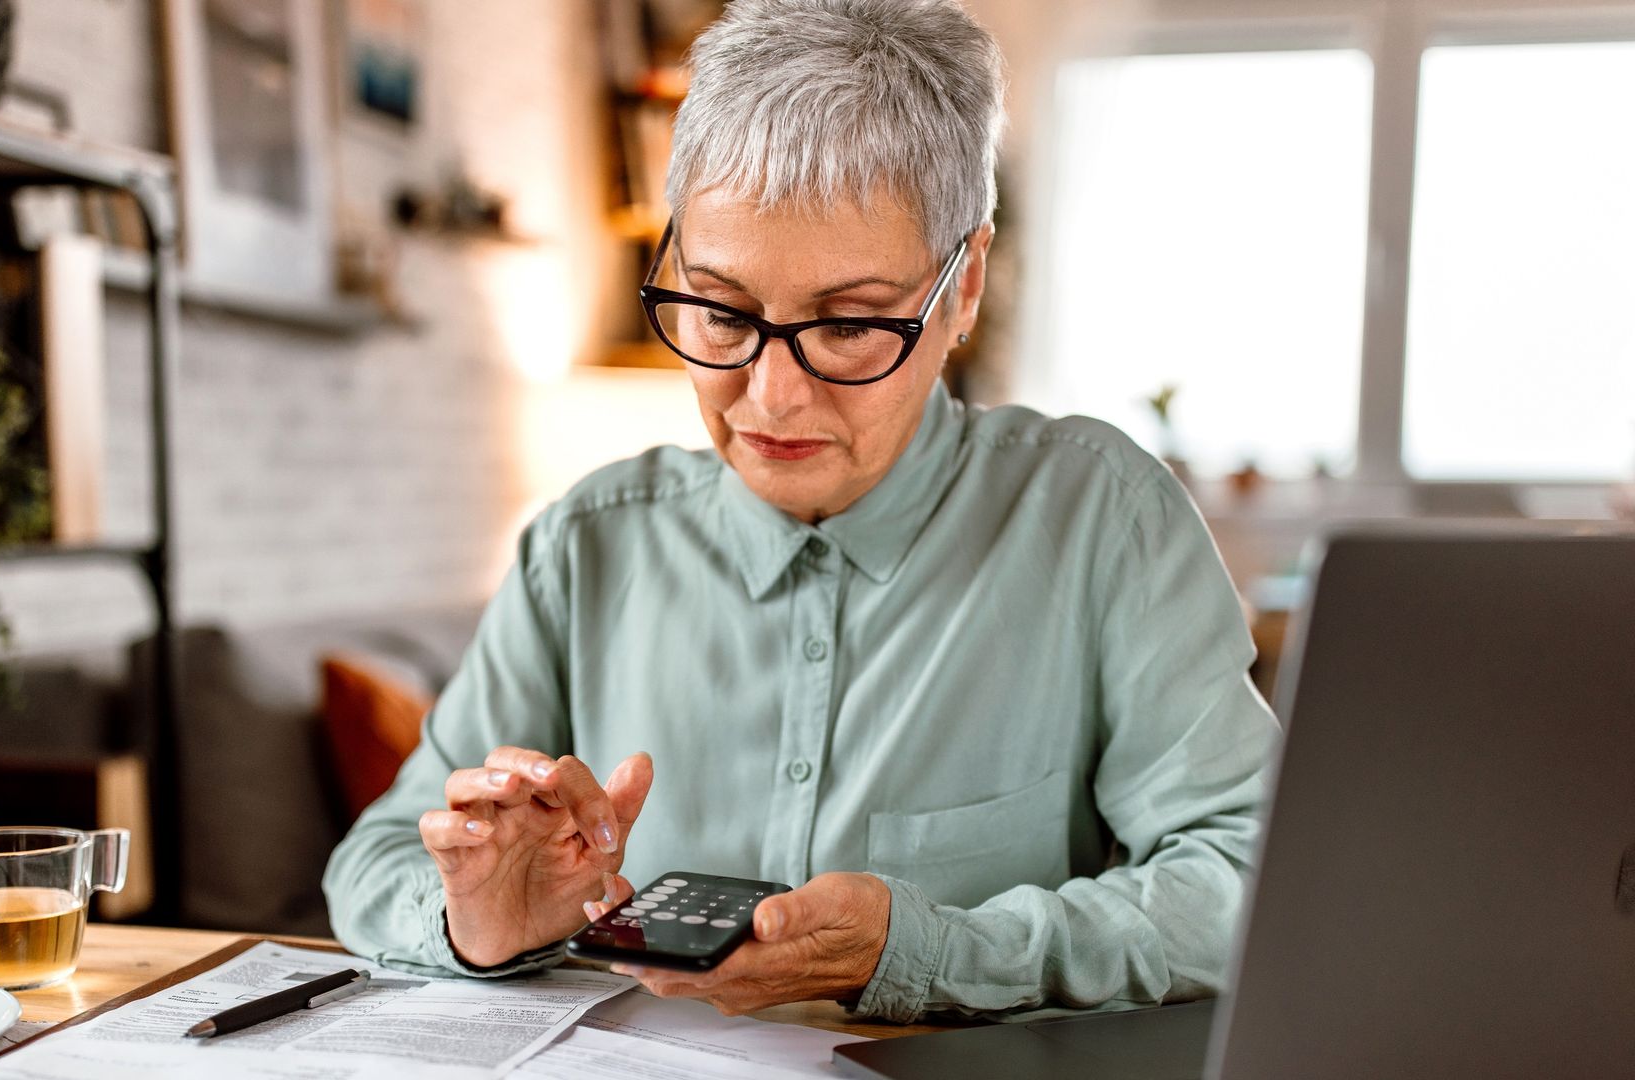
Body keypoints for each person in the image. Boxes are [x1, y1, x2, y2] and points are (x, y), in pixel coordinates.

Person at [324, 0, 1278, 1022]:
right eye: (721, 311)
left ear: (965, 290)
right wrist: (484, 918)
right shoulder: (586, 547)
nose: (771, 398)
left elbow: (1248, 880)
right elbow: (375, 867)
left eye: (852, 325)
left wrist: (935, 948)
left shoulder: (1104, 524)